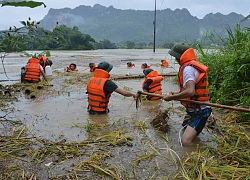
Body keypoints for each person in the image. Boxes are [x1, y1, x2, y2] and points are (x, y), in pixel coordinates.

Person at [163, 42, 212, 146]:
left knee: (185, 141)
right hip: (193, 109)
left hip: (200, 111)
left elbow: (190, 91)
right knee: (186, 131)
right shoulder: (188, 66)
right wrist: (176, 93)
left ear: (178, 57)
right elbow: (190, 92)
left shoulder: (188, 69)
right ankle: (196, 147)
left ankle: (202, 154)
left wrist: (172, 97)